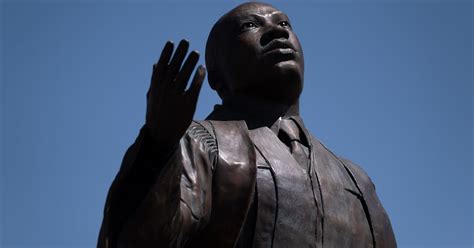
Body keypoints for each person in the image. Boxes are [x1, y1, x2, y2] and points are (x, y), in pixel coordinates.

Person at [98, 2, 396, 248]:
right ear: (216, 78)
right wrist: (159, 146)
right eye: (250, 26)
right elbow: (145, 240)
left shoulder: (355, 179)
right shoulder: (200, 142)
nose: (277, 33)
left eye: (285, 24)